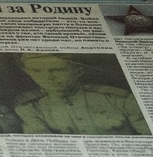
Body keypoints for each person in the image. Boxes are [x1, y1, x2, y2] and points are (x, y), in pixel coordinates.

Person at [14, 54, 150, 135]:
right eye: (36, 71)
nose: (48, 78)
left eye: (57, 70)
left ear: (79, 71)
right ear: (27, 72)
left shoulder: (119, 99)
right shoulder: (30, 107)